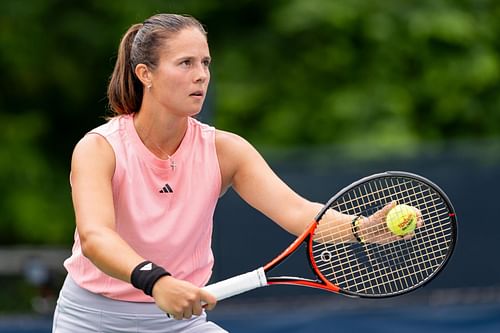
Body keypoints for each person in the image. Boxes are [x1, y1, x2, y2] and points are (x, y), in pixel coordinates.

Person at [52, 13, 417, 333]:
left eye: (205, 63)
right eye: (185, 64)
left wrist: (363, 228)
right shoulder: (99, 148)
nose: (201, 76)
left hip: (181, 322)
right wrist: (157, 281)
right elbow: (96, 237)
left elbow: (298, 213)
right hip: (91, 319)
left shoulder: (226, 150)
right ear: (145, 74)